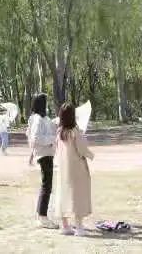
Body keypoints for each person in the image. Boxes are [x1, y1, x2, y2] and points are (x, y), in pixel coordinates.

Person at [54, 102, 94, 237]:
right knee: (78, 195)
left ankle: (65, 226)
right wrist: (91, 155)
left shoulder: (59, 132)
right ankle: (79, 227)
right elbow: (82, 149)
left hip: (62, 167)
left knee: (63, 194)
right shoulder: (75, 132)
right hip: (76, 168)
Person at [27, 93, 57, 229]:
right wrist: (51, 140)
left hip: (47, 153)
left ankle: (41, 215)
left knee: (47, 185)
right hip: (44, 154)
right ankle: (42, 217)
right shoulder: (37, 119)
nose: (47, 104)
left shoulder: (43, 118)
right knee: (46, 186)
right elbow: (35, 138)